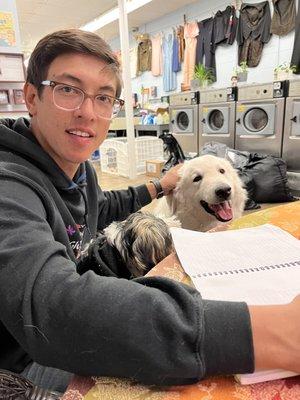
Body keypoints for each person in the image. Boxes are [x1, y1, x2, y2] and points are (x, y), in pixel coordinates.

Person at [0, 29, 299, 394]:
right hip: (23, 364)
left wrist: (159, 185)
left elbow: (98, 207)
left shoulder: (76, 169)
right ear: (32, 97)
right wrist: (269, 333)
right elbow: (55, 306)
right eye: (68, 89)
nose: (87, 112)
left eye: (104, 97)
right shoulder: (9, 186)